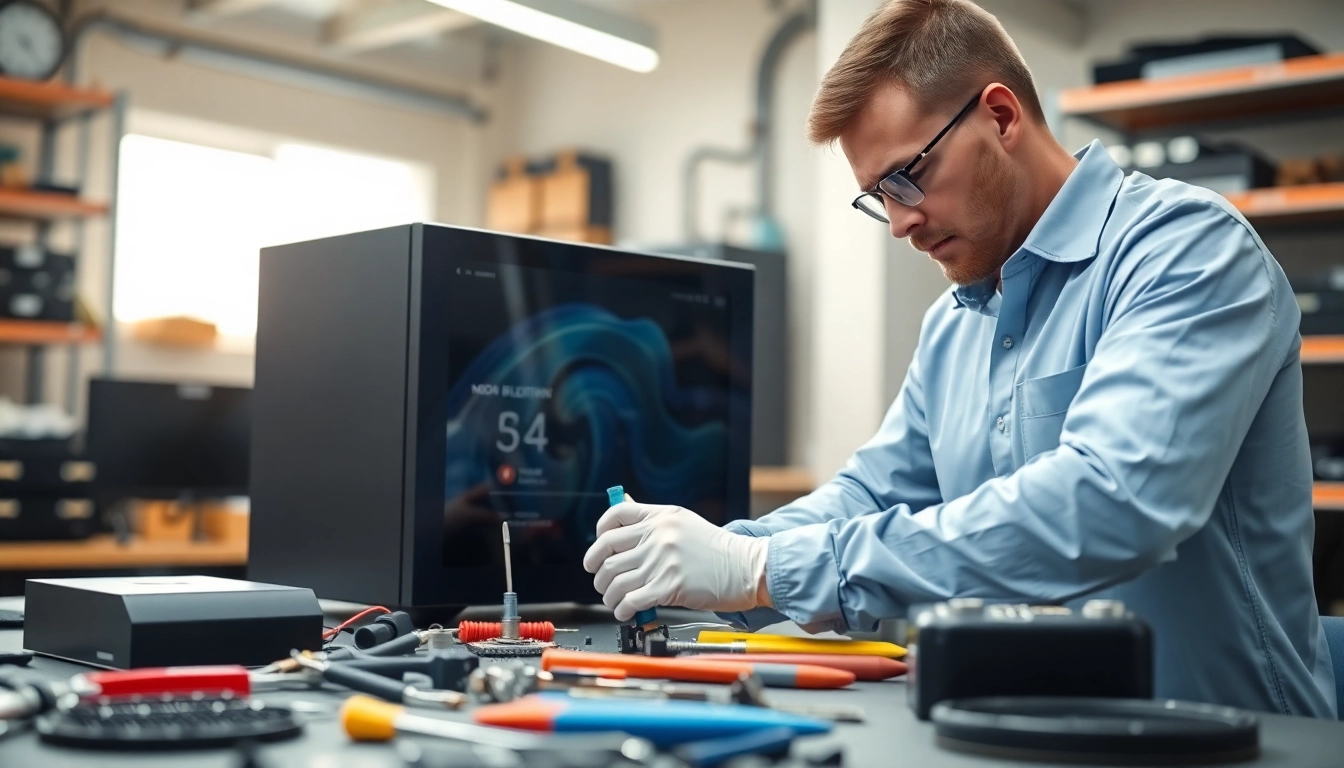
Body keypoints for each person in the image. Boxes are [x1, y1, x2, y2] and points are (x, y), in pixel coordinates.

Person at [582, 0, 1337, 717]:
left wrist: (759, 572)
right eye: (879, 195)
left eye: (908, 176)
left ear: (1001, 116)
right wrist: (708, 553)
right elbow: (871, 495)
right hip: (1031, 734)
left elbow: (1112, 502)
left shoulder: (1184, 250)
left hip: (1231, 740)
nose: (900, 223)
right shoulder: (955, 324)